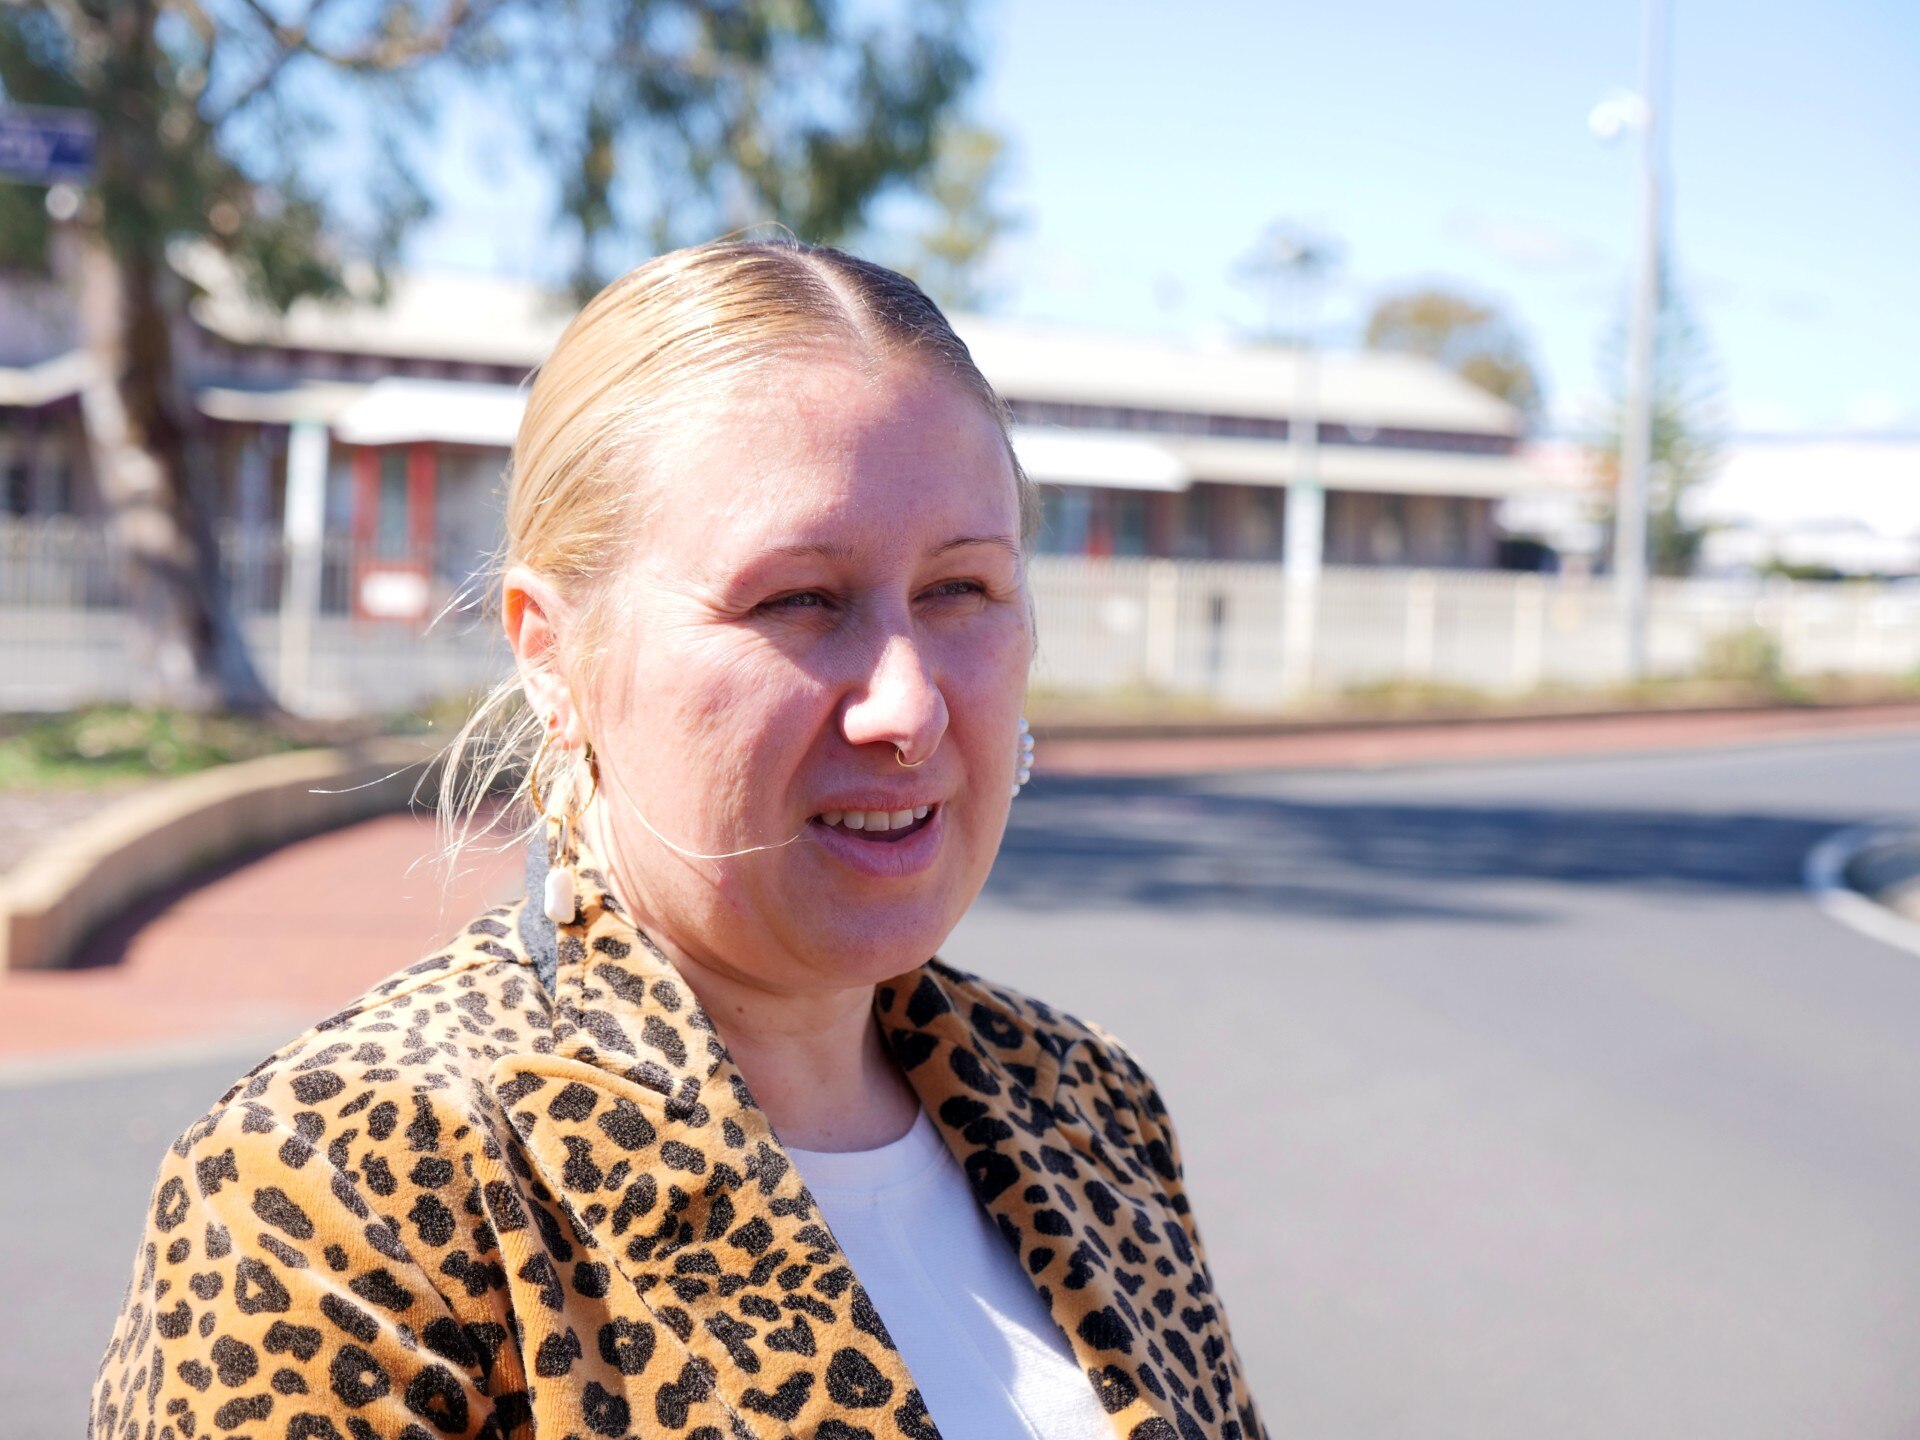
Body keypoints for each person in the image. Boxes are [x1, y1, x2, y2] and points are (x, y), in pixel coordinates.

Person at [91, 239, 1266, 1440]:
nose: (907, 706)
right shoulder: (349, 1184)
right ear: (553, 655)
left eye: (961, 590)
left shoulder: (1087, 1105)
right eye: (797, 600)